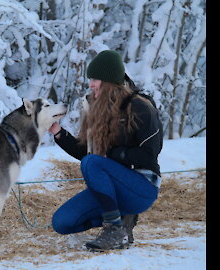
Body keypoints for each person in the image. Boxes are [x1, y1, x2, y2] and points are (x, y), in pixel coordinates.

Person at [49, 50, 163, 250]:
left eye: (96, 79)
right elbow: (88, 155)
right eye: (91, 78)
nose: (91, 84)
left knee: (93, 162)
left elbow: (148, 155)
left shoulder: (140, 107)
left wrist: (111, 155)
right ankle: (120, 220)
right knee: (62, 222)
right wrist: (58, 133)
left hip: (141, 186)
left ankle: (115, 230)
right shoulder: (98, 109)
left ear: (111, 81)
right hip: (112, 187)